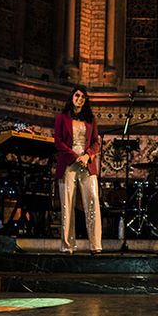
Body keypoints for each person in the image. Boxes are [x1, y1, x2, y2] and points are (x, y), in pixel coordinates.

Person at [54, 85, 102, 254]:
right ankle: (68, 246)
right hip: (69, 163)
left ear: (85, 100)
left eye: (83, 97)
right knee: (68, 205)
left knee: (92, 202)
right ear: (72, 97)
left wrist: (88, 155)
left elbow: (96, 142)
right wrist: (76, 156)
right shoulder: (61, 118)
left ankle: (95, 245)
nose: (79, 99)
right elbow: (58, 142)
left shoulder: (90, 119)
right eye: (77, 95)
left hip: (87, 165)